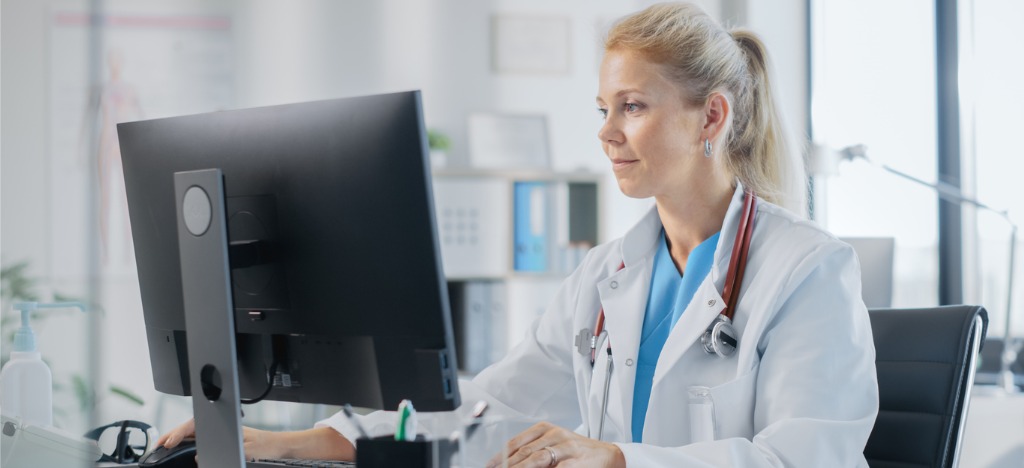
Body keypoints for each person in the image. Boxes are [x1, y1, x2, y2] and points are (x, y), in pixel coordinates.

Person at [157, 2, 879, 466]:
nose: (606, 133)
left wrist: (618, 460)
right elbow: (487, 409)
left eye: (632, 107)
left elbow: (809, 456)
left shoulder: (807, 270)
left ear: (711, 119)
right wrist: (305, 442)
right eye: (603, 107)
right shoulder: (607, 276)